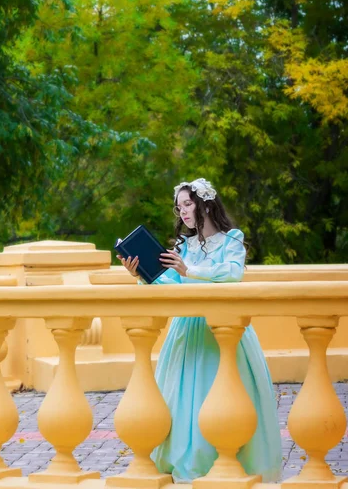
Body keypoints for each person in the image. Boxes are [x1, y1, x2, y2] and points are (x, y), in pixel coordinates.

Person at [117, 178, 282, 483]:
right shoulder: (184, 247)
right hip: (187, 331)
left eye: (188, 204)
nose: (183, 212)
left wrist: (189, 270)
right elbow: (172, 286)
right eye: (179, 208)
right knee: (183, 399)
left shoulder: (232, 239)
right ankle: (189, 461)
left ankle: (231, 460)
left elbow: (232, 274)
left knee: (225, 393)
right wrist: (142, 274)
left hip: (223, 331)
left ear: (205, 203)